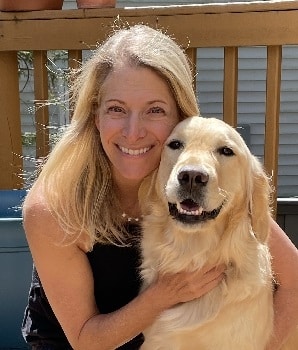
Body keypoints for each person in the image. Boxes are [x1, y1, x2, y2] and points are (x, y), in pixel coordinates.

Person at [21, 24, 298, 350]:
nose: (133, 131)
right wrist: (164, 294)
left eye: (155, 110)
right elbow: (87, 341)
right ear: (96, 117)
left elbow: (294, 280)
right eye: (116, 109)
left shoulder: (202, 179)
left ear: (180, 116)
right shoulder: (52, 208)